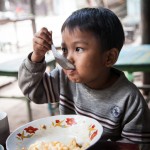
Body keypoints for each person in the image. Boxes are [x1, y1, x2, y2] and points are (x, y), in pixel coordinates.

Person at [18, 7, 150, 145]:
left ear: (109, 57)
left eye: (78, 49)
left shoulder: (130, 101)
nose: (68, 58)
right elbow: (32, 90)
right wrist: (37, 56)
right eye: (64, 49)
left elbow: (136, 145)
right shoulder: (63, 80)